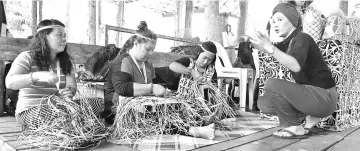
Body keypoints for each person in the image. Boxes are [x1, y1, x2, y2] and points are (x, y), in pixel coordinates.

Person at [104, 21, 215, 139]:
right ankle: (192, 130)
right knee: (152, 118)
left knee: (171, 107)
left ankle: (197, 122)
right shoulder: (122, 61)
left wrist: (165, 93)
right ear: (136, 44)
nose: (151, 53)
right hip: (117, 111)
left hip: (139, 105)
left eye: (153, 50)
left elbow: (152, 86)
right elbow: (122, 88)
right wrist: (151, 88)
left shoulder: (147, 65)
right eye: (148, 49)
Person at [250, 3, 338, 139]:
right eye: (273, 21)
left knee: (271, 85)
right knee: (264, 103)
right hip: (316, 97)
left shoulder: (302, 38)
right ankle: (311, 118)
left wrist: (270, 48)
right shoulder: (290, 42)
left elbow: (296, 66)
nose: (275, 25)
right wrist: (260, 46)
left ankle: (294, 127)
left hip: (325, 97)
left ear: (292, 21)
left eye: (280, 20)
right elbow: (274, 48)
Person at [5, 19, 103, 128]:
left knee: (98, 103)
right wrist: (37, 76)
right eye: (59, 35)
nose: (64, 39)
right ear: (44, 37)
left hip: (59, 106)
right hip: (32, 110)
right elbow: (10, 83)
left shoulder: (65, 62)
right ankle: (71, 123)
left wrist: (69, 91)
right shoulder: (27, 57)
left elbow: (71, 86)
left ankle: (67, 123)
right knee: (57, 114)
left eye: (65, 35)